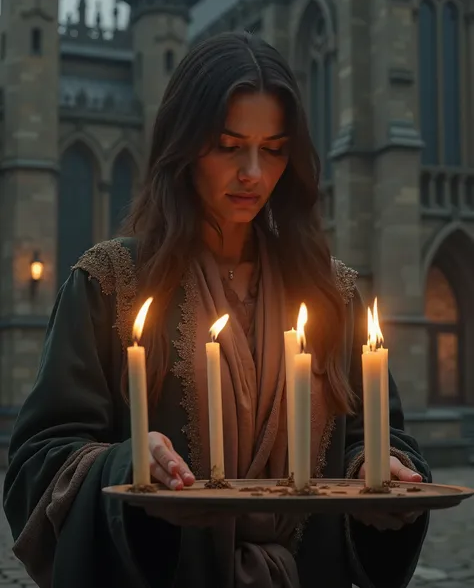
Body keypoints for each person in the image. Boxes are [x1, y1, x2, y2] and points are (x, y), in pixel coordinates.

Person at [3, 31, 430, 588]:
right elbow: (39, 462)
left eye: (273, 149)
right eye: (229, 146)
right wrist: (128, 465)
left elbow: (373, 436)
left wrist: (382, 474)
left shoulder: (333, 294)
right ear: (184, 144)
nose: (253, 172)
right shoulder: (112, 284)